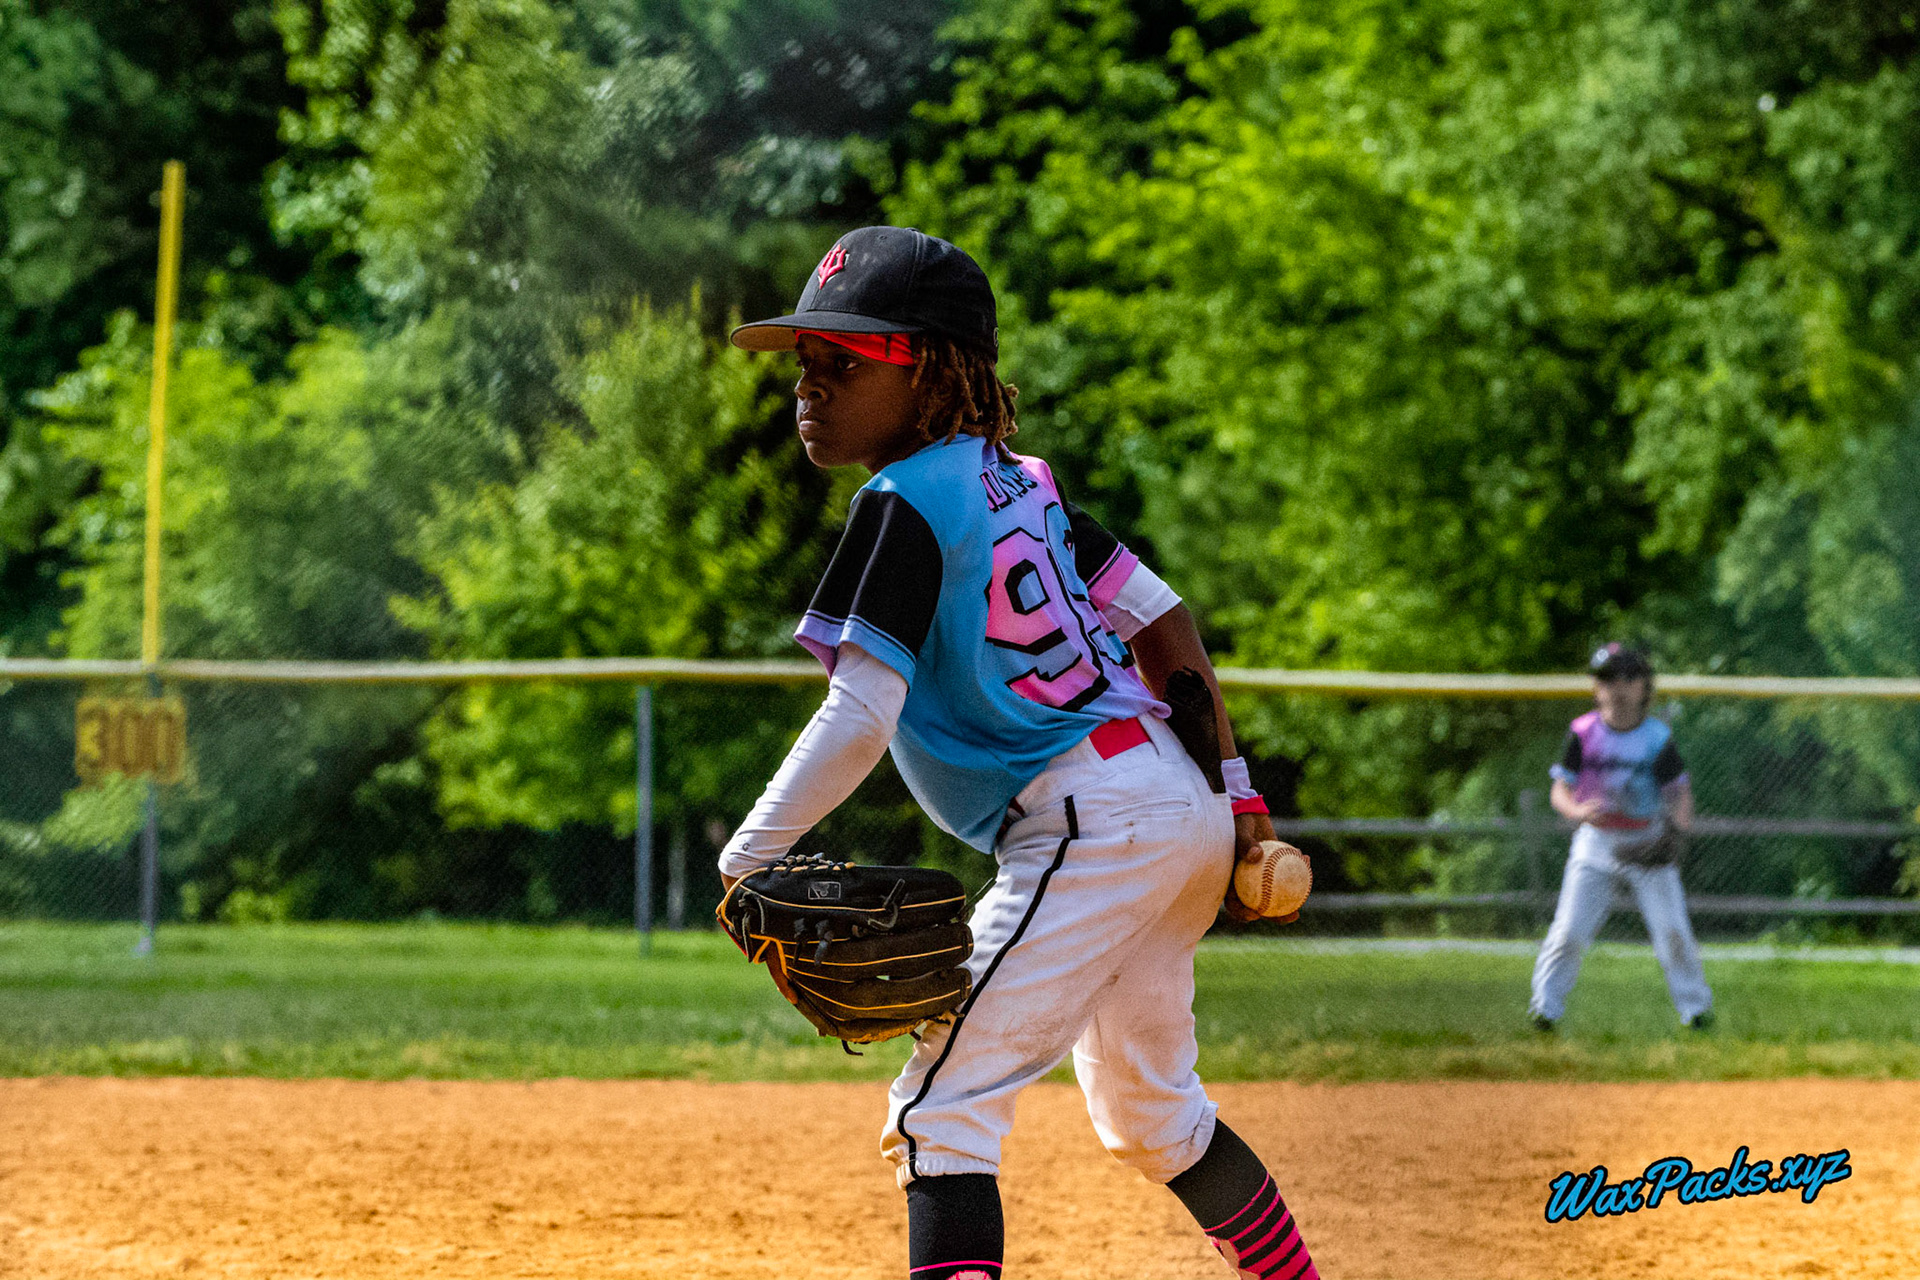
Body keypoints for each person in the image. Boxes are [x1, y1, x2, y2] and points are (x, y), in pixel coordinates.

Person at [718, 226, 1322, 1280]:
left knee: (939, 1107)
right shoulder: (1024, 486)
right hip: (1170, 805)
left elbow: (860, 712)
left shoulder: (902, 501)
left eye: (844, 362)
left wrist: (748, 855)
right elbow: (1165, 621)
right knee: (1153, 1114)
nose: (809, 386)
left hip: (1091, 821)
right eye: (805, 363)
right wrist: (1236, 792)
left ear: (930, 369)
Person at [1528, 643, 1713, 1032]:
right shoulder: (1583, 732)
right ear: (1596, 687)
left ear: (1645, 686)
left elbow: (1679, 793)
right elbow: (1560, 789)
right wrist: (1576, 811)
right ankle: (1544, 1009)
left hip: (1646, 838)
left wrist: (1676, 832)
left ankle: (1696, 1011)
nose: (1618, 687)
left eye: (1629, 677)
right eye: (1608, 678)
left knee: (1673, 931)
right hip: (1595, 841)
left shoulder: (1656, 737)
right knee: (1568, 932)